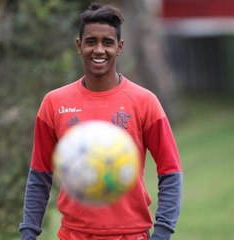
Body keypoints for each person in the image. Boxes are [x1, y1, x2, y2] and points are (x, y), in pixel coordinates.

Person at [19, 2, 182, 240]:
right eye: (91, 41)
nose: (99, 50)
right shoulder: (54, 103)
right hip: (73, 236)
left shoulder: (145, 102)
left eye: (107, 42)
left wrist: (162, 232)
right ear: (79, 45)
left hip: (131, 235)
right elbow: (40, 175)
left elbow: (171, 172)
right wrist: (28, 233)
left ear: (120, 47)